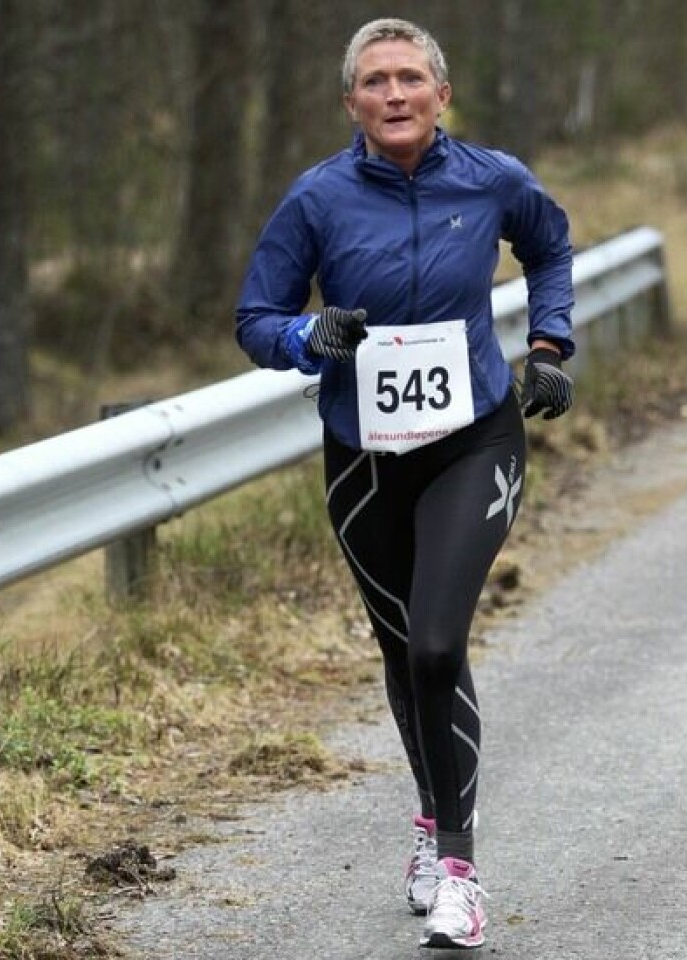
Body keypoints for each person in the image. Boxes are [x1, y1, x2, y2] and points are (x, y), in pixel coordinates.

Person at [235, 17, 574, 950]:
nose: (395, 94)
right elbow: (256, 317)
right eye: (375, 81)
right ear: (351, 102)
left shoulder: (493, 180)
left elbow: (550, 247)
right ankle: (430, 819)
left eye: (410, 78)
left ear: (441, 94)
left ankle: (459, 873)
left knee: (435, 645)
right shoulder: (317, 199)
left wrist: (550, 344)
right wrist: (306, 338)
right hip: (365, 458)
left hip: (474, 440)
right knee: (401, 650)